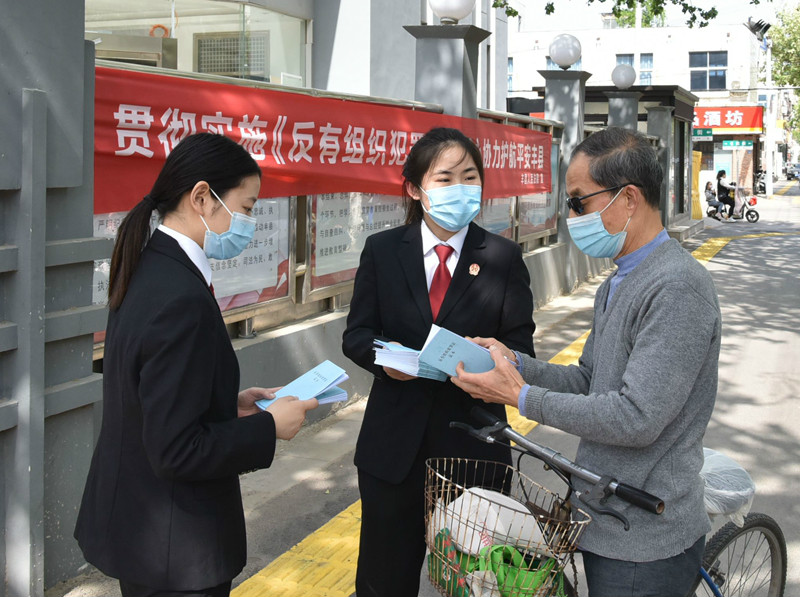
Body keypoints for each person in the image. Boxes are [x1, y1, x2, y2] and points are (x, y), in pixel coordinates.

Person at [452, 127, 721, 597]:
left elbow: (636, 417)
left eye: (579, 202)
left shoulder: (677, 288)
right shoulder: (619, 280)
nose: (571, 216)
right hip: (605, 514)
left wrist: (520, 396)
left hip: (645, 539)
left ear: (629, 199)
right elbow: (589, 380)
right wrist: (514, 361)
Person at [74, 133, 318, 597]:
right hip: (175, 548)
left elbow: (154, 396)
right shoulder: (179, 297)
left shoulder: (151, 268)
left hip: (148, 534)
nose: (249, 221)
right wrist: (268, 428)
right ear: (202, 197)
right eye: (246, 207)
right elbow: (176, 449)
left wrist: (228, 404)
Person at [342, 127, 536, 597]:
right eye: (445, 178)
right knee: (384, 580)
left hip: (474, 446)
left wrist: (496, 358)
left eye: (469, 177)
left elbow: (522, 350)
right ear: (415, 188)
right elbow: (356, 335)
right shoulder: (384, 250)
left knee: (475, 582)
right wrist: (384, 360)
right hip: (394, 451)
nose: (460, 188)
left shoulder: (504, 257)